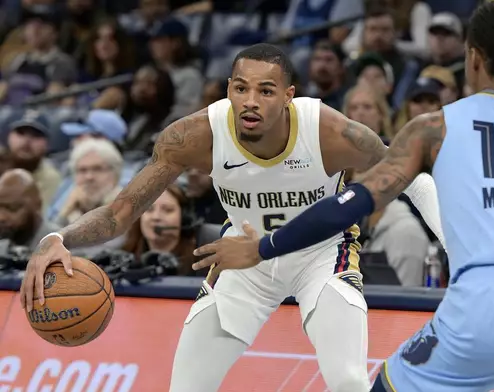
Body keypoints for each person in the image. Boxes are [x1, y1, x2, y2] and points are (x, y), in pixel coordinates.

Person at [204, 1, 494, 391]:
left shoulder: (434, 128)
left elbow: (350, 204)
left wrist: (263, 247)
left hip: (477, 314)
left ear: (472, 58)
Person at [20, 43, 442, 392]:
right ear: (228, 90)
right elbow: (120, 212)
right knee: (185, 388)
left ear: (289, 95)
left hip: (321, 256)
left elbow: (413, 179)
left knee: (348, 381)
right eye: (240, 88)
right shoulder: (195, 135)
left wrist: (465, 253)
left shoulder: (327, 131)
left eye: (265, 90)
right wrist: (58, 237)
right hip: (242, 260)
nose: (251, 101)